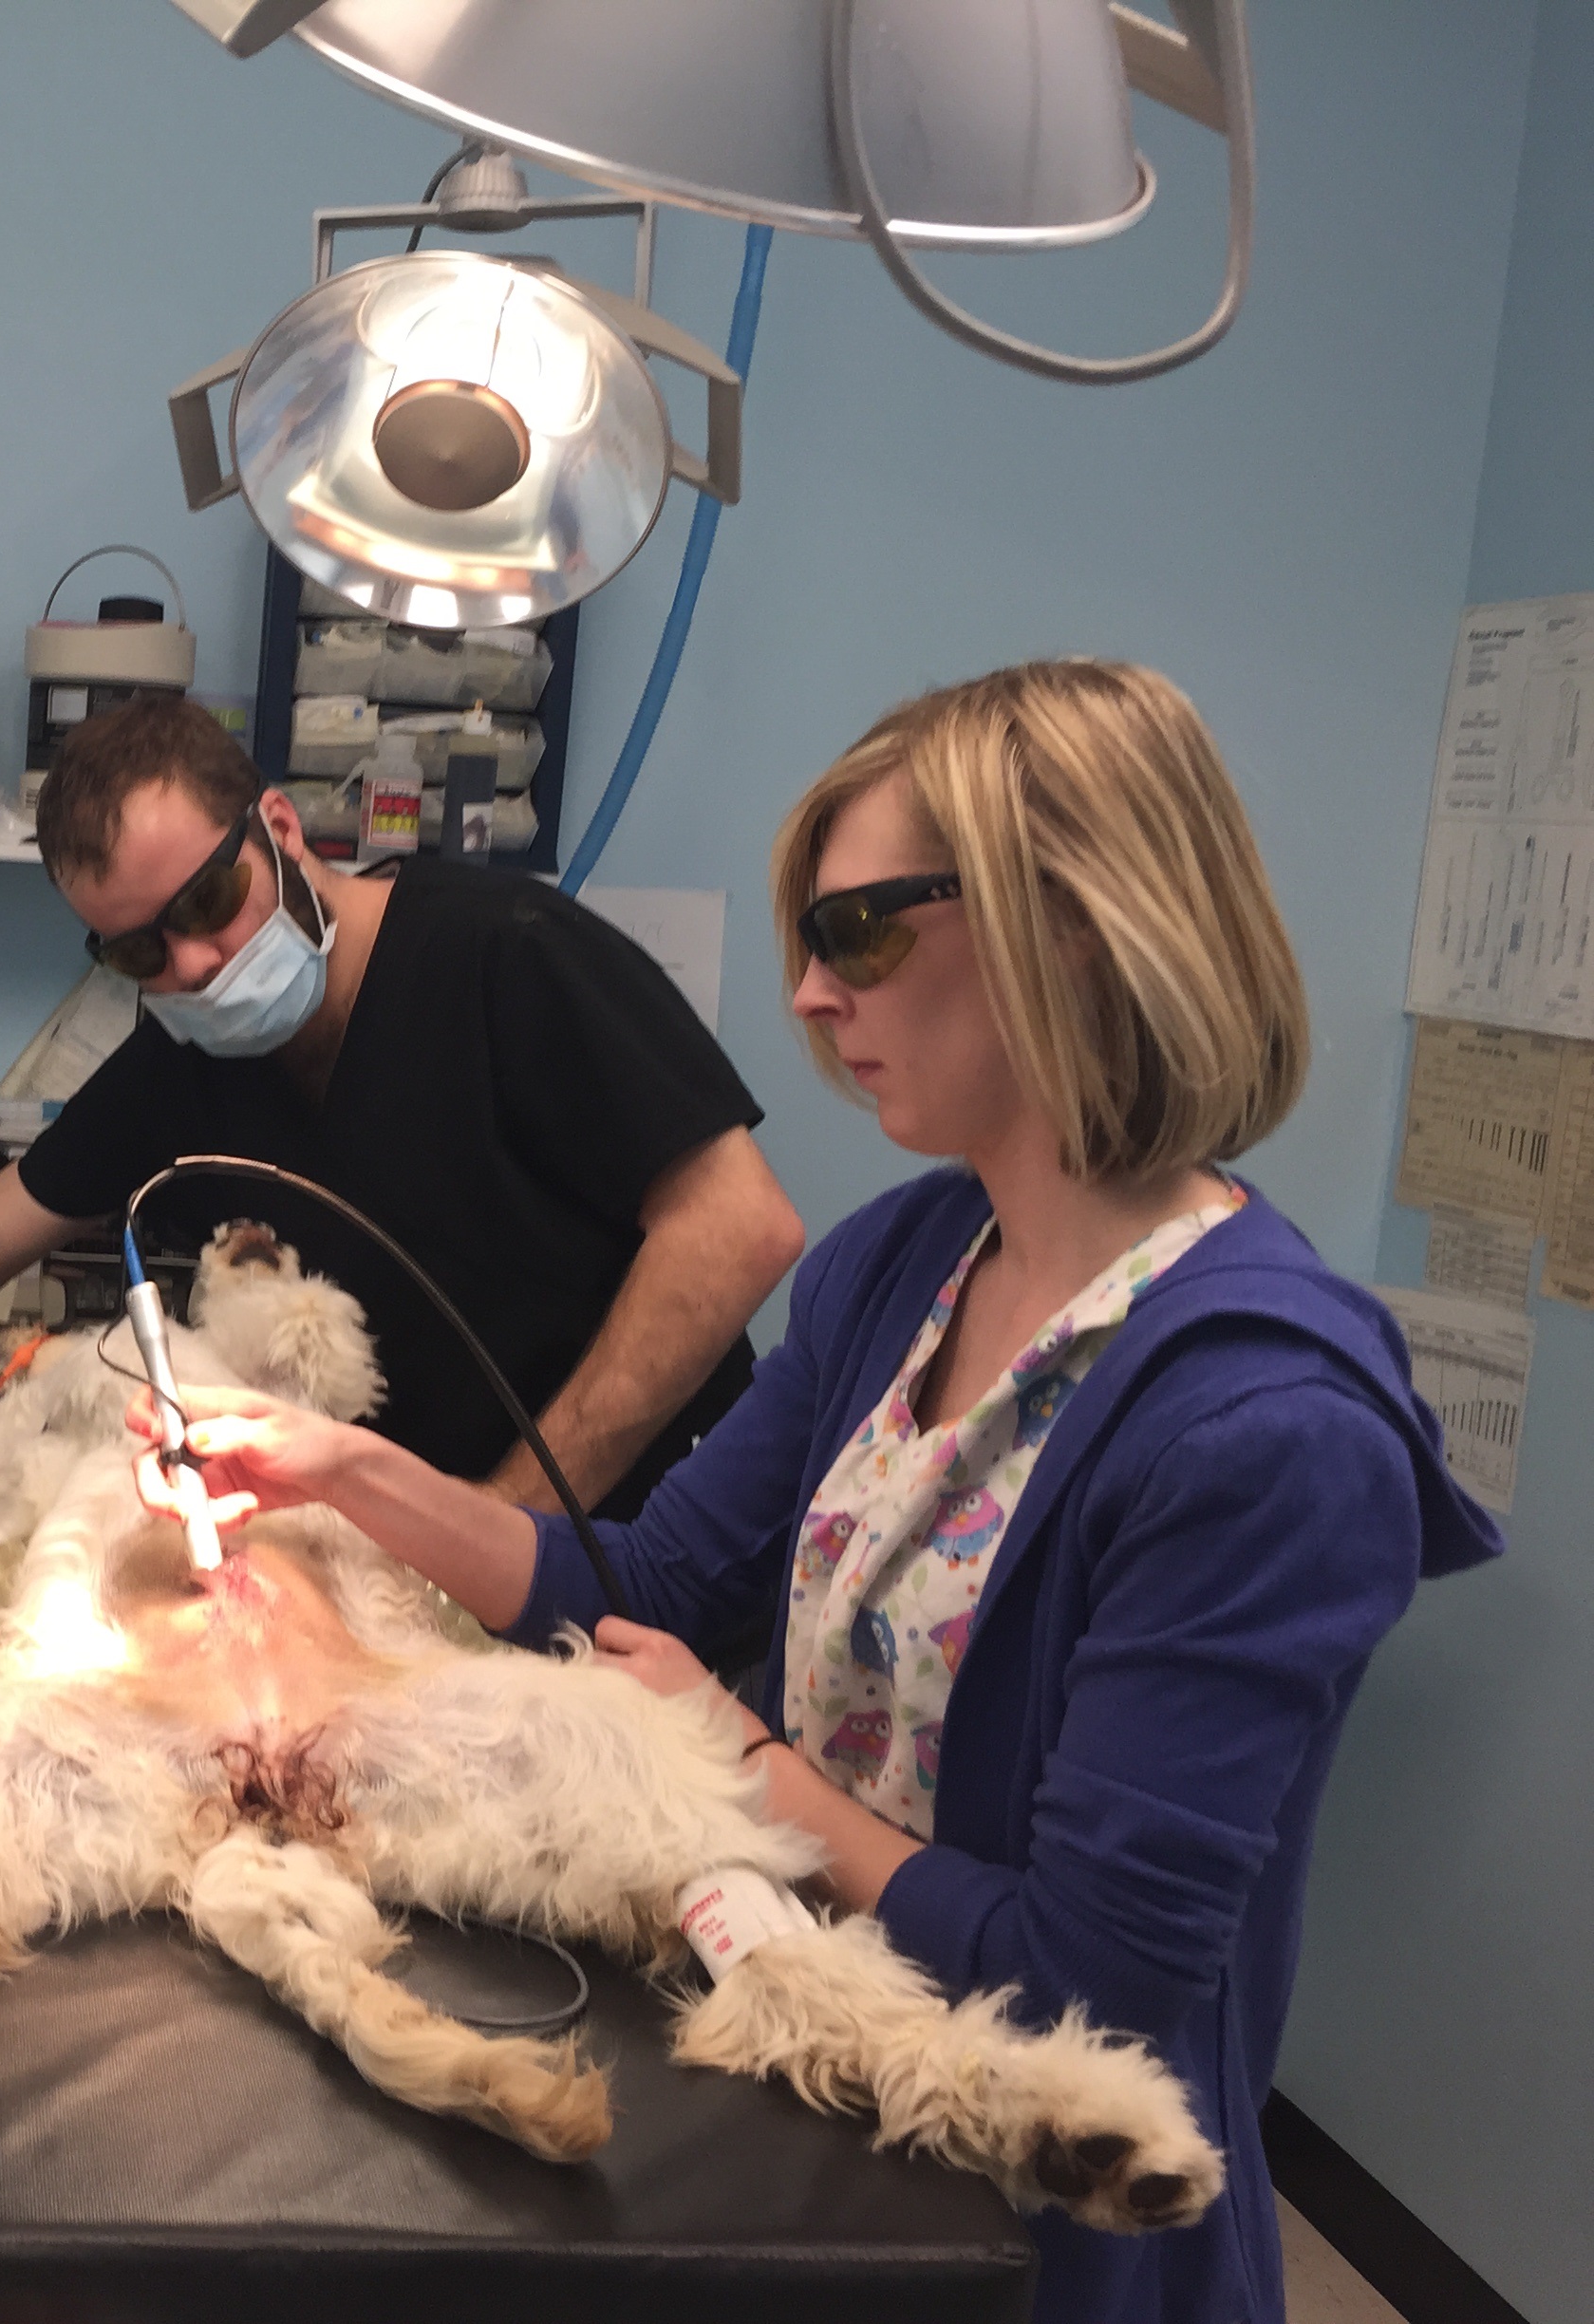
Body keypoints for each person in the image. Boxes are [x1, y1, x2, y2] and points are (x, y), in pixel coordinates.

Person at [138, 661, 1502, 2324]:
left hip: (1044, 2217)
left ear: (1068, 921)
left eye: (854, 932)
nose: (800, 992)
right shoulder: (902, 1262)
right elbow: (643, 1577)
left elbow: (1092, 1980)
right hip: (801, 2089)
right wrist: (333, 1471)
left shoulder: (1261, 1430)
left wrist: (758, 1769)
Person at [0, 692, 803, 1580]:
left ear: (280, 831)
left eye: (210, 900)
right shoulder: (185, 1067)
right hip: (416, 1575)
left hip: (655, 1557)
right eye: (138, 954)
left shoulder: (505, 960)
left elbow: (739, 1229)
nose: (191, 965)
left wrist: (498, 1527)